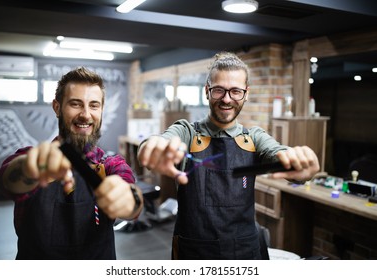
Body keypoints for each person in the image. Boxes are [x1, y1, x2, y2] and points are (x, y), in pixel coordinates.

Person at [137, 52, 320, 260]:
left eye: (235, 91)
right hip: (194, 250)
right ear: (207, 91)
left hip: (244, 251)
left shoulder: (254, 138)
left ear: (246, 93)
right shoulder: (187, 132)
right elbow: (162, 140)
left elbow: (279, 153)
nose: (226, 99)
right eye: (219, 90)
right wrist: (152, 146)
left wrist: (298, 163)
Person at [0, 67, 143, 260]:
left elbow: (131, 199)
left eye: (94, 105)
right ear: (57, 107)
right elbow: (4, 182)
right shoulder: (28, 157)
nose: (86, 114)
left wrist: (129, 200)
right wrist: (30, 169)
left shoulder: (110, 164)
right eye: (76, 104)